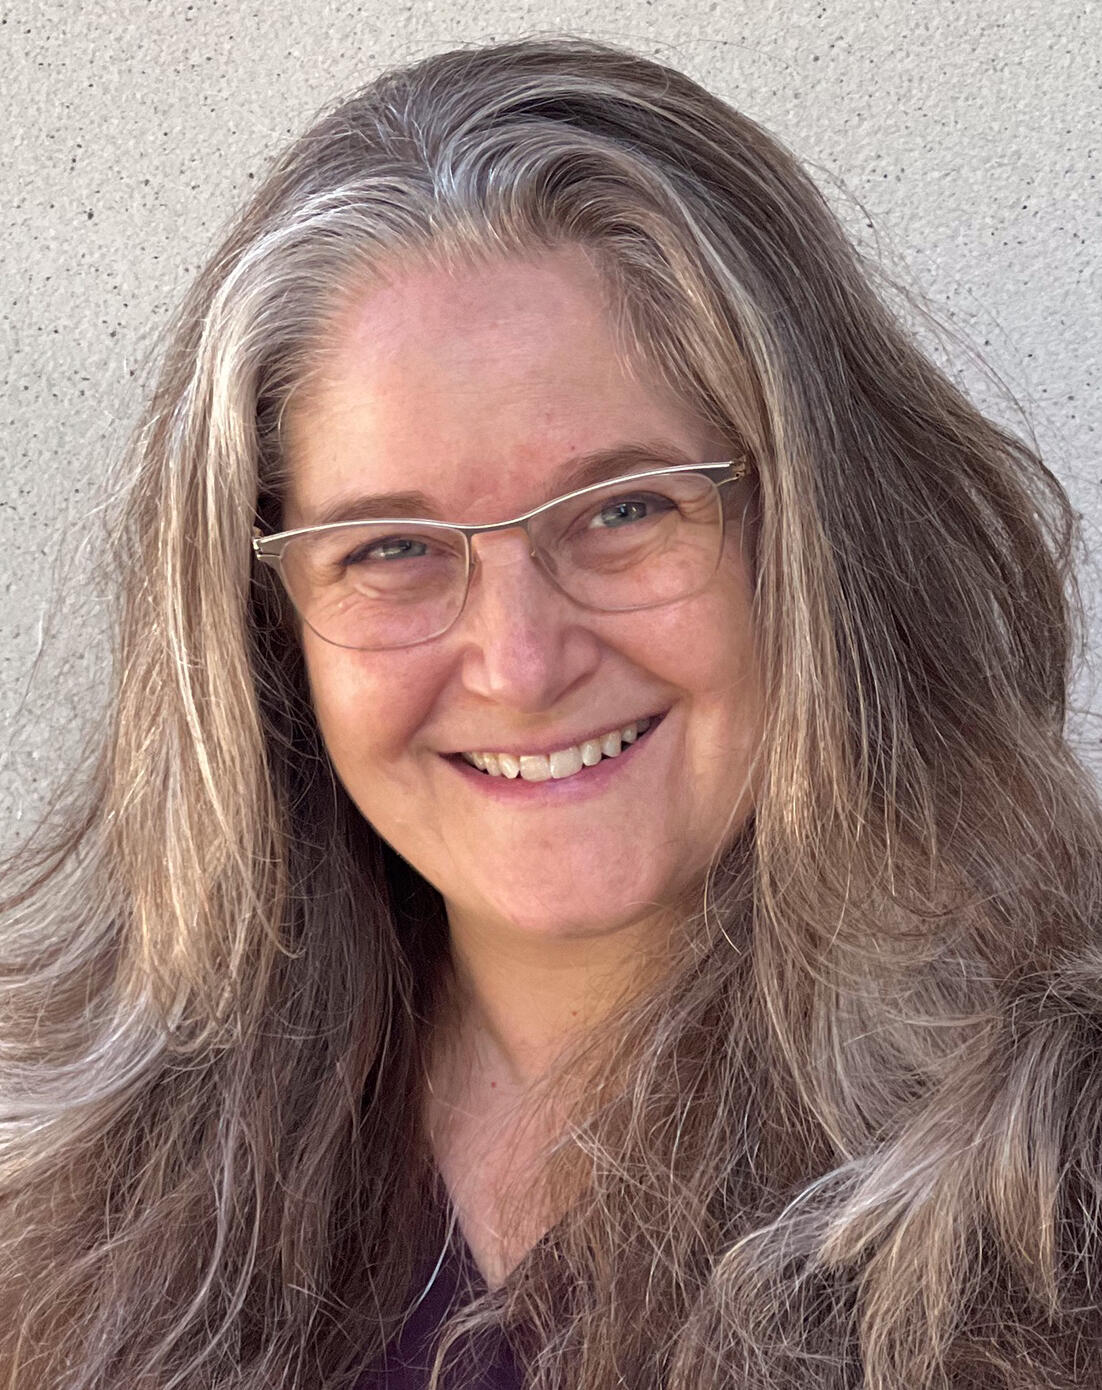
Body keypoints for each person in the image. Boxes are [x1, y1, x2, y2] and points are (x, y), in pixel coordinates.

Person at [1, 33, 1100, 1390]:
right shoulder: (65, 1199)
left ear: (817, 538)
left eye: (627, 509)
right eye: (390, 548)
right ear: (264, 629)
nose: (518, 660)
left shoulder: (1062, 1185)